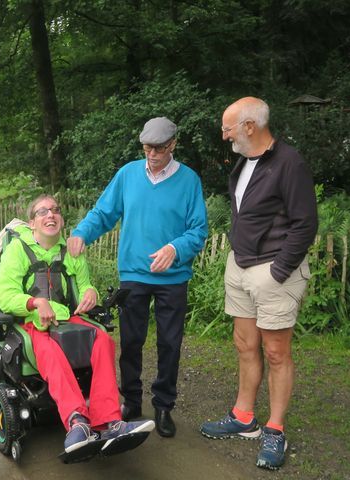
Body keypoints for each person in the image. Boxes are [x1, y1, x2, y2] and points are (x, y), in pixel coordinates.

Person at [67, 117, 208, 438]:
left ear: (172, 145)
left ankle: (163, 406)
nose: (152, 154)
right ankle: (131, 400)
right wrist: (81, 233)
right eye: (147, 148)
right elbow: (104, 212)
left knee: (170, 344)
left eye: (159, 148)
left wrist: (176, 248)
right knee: (131, 342)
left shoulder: (189, 181)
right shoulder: (128, 174)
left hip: (173, 278)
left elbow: (198, 230)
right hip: (134, 275)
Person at [199, 97, 318, 470]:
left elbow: (305, 224)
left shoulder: (289, 163)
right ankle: (244, 417)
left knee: (277, 353)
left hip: (272, 272)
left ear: (250, 126)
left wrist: (279, 271)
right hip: (240, 267)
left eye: (228, 128)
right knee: (244, 344)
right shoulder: (245, 160)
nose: (224, 135)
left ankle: (275, 429)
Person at [0, 194, 155, 457]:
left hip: (69, 319)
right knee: (50, 351)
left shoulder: (71, 251)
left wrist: (90, 292)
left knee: (103, 339)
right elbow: (5, 296)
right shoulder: (17, 250)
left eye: (55, 210)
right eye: (43, 211)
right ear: (31, 222)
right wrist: (35, 302)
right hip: (34, 323)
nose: (51, 215)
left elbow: (84, 286)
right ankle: (77, 422)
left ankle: (110, 421)